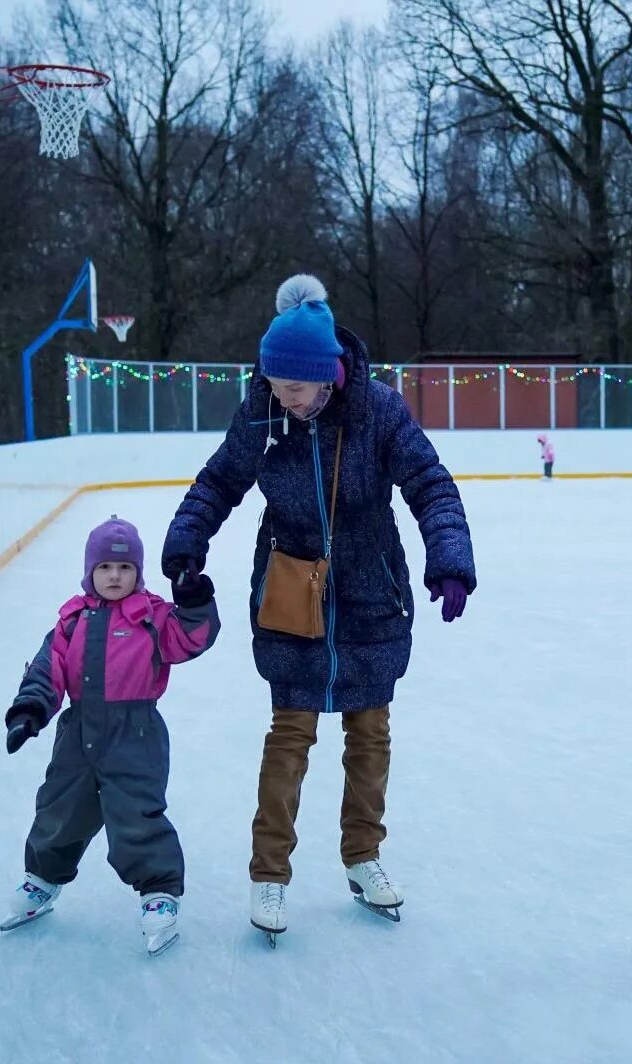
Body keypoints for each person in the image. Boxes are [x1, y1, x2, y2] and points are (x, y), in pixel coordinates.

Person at [161, 274, 476, 943]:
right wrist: (187, 540)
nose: (285, 397)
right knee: (289, 735)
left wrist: (449, 557)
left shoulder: (379, 412)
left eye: (296, 388)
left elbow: (430, 483)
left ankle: (363, 858)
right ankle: (269, 874)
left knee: (370, 735)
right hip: (289, 586)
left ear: (329, 376)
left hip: (371, 591)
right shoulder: (263, 413)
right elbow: (218, 482)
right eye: (275, 385)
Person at [1, 517, 221, 956]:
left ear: (138, 573)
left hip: (135, 734)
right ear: (90, 572)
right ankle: (42, 879)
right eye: (105, 567)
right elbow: (48, 668)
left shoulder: (153, 616)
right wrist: (30, 710)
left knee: (136, 813)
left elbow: (193, 639)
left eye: (125, 569)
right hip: (77, 733)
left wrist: (194, 600)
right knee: (60, 808)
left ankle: (158, 892)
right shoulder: (71, 621)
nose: (115, 576)